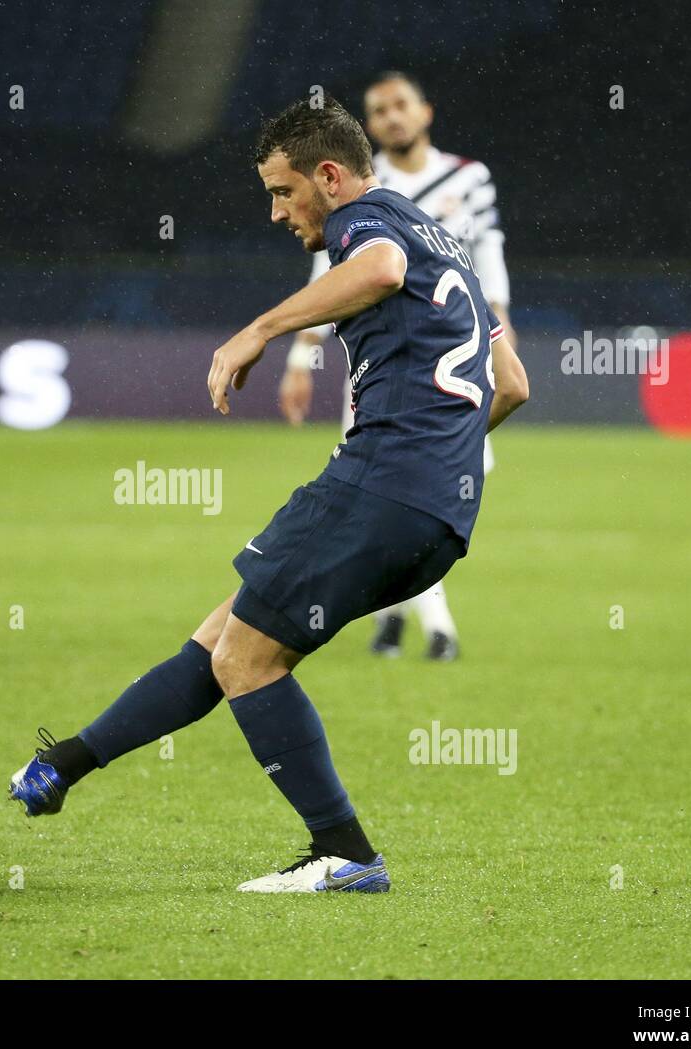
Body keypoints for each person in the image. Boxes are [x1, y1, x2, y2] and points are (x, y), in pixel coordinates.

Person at [9, 98, 529, 893]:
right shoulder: (445, 243)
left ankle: (346, 853)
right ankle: (65, 765)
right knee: (227, 637)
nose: (277, 212)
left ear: (329, 175)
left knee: (245, 658)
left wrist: (260, 330)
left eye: (284, 192)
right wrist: (443, 457)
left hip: (380, 484)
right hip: (438, 515)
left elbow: (381, 270)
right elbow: (514, 384)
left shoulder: (371, 224)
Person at [280, 72, 515, 661]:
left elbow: (488, 255)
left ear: (425, 111)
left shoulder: (468, 177)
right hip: (382, 364)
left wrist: (500, 337)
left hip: (458, 354)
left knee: (414, 493)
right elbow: (331, 279)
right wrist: (301, 355)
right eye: (378, 110)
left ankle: (393, 619)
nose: (390, 117)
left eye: (400, 105)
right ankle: (434, 628)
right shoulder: (361, 192)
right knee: (399, 494)